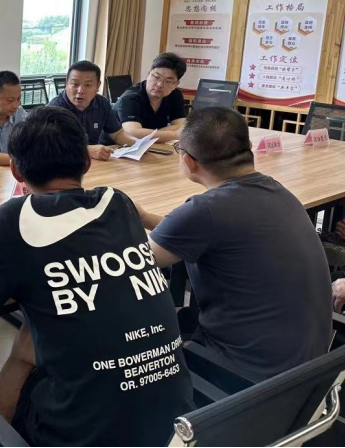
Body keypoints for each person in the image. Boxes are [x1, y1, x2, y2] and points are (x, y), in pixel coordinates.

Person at [0, 106, 193, 446]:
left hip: (85, 434)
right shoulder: (118, 202)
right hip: (175, 427)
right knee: (36, 336)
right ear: (86, 163)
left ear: (15, 170)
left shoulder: (16, 216)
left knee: (27, 347)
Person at [135, 106, 332, 382]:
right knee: (178, 314)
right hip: (309, 370)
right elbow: (198, 234)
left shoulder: (204, 211)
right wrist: (145, 218)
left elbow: (136, 263)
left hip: (250, 378)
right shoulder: (277, 191)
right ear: (249, 149)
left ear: (188, 161)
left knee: (136, 332)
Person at [48, 60, 134, 160]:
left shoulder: (102, 103)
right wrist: (86, 150)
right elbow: (49, 147)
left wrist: (138, 144)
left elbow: (117, 134)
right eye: (75, 84)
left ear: (98, 86)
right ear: (66, 84)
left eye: (88, 85)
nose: (80, 91)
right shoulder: (53, 109)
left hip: (94, 162)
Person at [117, 52, 188, 143]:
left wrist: (149, 134)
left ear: (176, 84)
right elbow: (132, 132)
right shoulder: (131, 97)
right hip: (115, 147)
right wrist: (174, 134)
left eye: (168, 81)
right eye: (156, 77)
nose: (159, 84)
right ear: (148, 74)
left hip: (149, 145)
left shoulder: (175, 95)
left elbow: (181, 125)